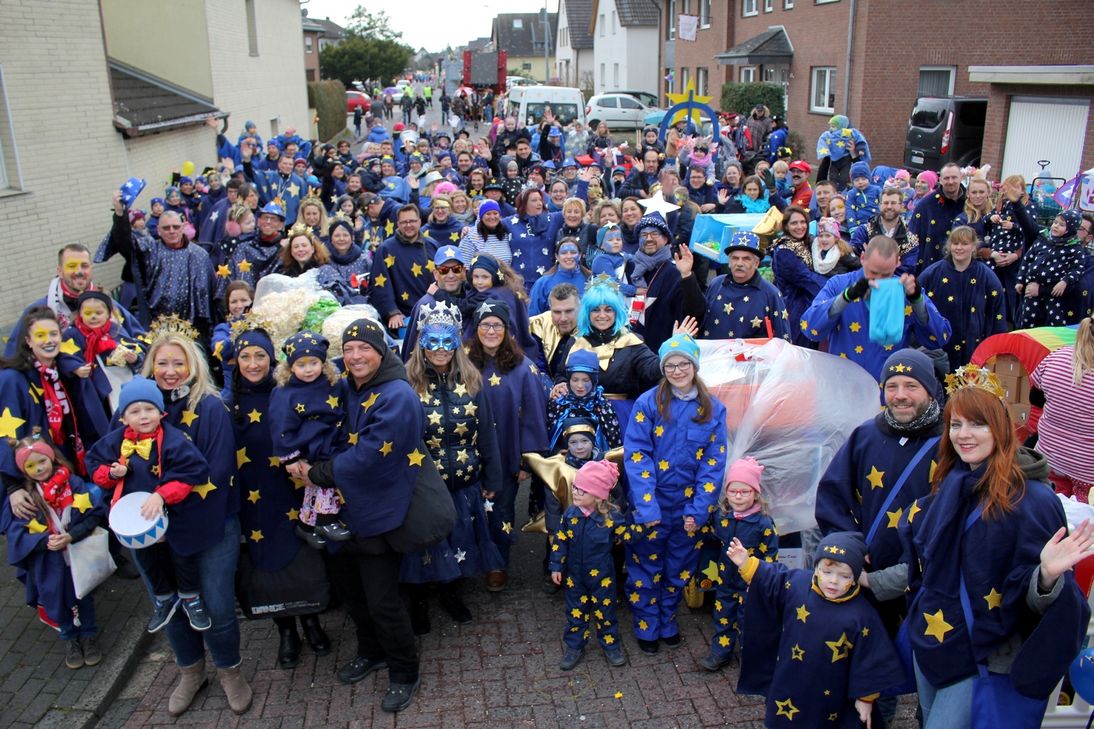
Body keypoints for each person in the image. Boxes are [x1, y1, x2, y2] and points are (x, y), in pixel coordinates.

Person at [901, 375, 1094, 726]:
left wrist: (1047, 576)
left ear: (1000, 429)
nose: (963, 434)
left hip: (985, 656)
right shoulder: (950, 485)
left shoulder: (1033, 500)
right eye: (956, 424)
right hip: (934, 641)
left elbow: (1038, 598)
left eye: (977, 423)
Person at [298, 319, 422, 712]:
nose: (354, 357)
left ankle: (404, 670)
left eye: (363, 348)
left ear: (381, 351)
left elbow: (370, 453)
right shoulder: (347, 386)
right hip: (341, 511)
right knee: (352, 593)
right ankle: (371, 651)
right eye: (348, 349)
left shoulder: (397, 394)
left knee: (383, 599)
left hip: (379, 513)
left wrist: (315, 473)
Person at [138, 324, 248, 716]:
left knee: (216, 606)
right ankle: (190, 671)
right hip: (154, 530)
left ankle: (230, 671)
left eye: (177, 362)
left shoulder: (210, 407)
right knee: (171, 605)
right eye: (162, 362)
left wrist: (170, 518)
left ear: (193, 366)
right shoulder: (140, 410)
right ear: (151, 366)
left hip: (210, 524)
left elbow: (215, 473)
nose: (170, 370)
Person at [224, 326, 330, 670]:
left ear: (272, 359)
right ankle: (285, 630)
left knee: (304, 554)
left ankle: (311, 619)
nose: (253, 364)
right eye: (245, 356)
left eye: (260, 356)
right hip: (254, 496)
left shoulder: (287, 392)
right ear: (235, 360)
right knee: (266, 559)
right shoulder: (227, 403)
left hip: (293, 489)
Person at [729, 531, 904, 728]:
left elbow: (871, 658)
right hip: (789, 681)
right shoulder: (797, 584)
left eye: (844, 575)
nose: (833, 581)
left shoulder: (862, 615)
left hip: (831, 693)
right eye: (826, 572)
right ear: (816, 568)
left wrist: (865, 699)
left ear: (856, 578)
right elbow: (772, 579)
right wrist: (746, 563)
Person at [624, 334, 728, 654]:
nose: (677, 370)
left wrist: (699, 510)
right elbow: (637, 453)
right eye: (670, 364)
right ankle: (647, 624)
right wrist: (646, 506)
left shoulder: (713, 409)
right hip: (653, 501)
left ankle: (667, 619)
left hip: (688, 504)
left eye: (683, 363)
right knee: (645, 567)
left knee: (679, 566)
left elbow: (714, 462)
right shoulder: (648, 403)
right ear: (662, 368)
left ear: (694, 366)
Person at [403, 301, 504, 628]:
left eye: (448, 341)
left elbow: (487, 432)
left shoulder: (473, 380)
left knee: (460, 540)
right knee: (421, 549)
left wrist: (493, 478)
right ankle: (418, 602)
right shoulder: (406, 383)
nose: (441, 350)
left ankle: (451, 594)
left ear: (458, 342)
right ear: (421, 341)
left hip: (465, 481)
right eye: (433, 341)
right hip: (423, 488)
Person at [87, 377, 213, 633]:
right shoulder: (114, 441)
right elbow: (94, 468)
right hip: (135, 518)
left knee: (182, 556)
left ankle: (191, 598)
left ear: (160, 412)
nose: (143, 416)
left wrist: (162, 495)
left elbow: (192, 473)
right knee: (147, 560)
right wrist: (111, 474)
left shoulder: (174, 440)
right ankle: (164, 600)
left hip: (173, 514)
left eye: (149, 409)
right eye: (135, 411)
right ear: (123, 417)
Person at [1, 431, 106, 669]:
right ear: (22, 469)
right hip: (48, 561)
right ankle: (69, 637)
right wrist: (45, 541)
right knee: (55, 598)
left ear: (52, 458)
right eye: (30, 465)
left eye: (42, 461)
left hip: (77, 552)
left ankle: (89, 636)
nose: (38, 469)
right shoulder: (25, 500)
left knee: (84, 595)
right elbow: (16, 535)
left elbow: (94, 515)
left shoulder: (75, 484)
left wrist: (71, 535)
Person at [466, 299, 548, 589]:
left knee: (500, 510)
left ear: (507, 329)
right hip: (467, 454)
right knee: (468, 509)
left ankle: (497, 563)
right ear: (476, 329)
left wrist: (527, 460)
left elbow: (533, 415)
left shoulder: (523, 368)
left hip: (505, 453)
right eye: (485, 325)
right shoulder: (461, 363)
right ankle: (469, 560)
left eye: (497, 325)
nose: (490, 330)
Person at [801, 236, 952, 381]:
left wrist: (917, 300)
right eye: (873, 272)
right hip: (845, 389)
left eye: (886, 273)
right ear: (862, 258)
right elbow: (810, 328)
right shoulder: (839, 284)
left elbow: (939, 337)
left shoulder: (904, 289)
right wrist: (846, 297)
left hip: (887, 392)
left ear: (897, 263)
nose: (878, 279)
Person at [268, 332, 348, 547]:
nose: (308, 369)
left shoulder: (333, 383)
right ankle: (326, 520)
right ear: (290, 367)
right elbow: (280, 426)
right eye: (301, 365)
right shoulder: (285, 393)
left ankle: (306, 524)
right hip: (310, 447)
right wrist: (290, 458)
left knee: (313, 488)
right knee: (324, 481)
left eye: (314, 363)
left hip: (332, 440)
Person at [700, 457, 778, 672]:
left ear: (755, 493)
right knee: (723, 616)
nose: (738, 496)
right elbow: (711, 536)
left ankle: (749, 656)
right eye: (733, 491)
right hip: (725, 579)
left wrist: (762, 579)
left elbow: (771, 556)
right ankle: (720, 651)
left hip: (750, 583)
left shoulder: (763, 523)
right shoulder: (722, 516)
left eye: (745, 491)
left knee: (749, 621)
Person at [100, 192, 216, 335]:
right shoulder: (150, 249)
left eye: (176, 227)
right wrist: (119, 214)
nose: (172, 231)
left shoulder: (200, 255)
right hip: (158, 327)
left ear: (183, 227)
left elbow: (212, 293)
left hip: (194, 329)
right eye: (166, 228)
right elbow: (125, 242)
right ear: (159, 231)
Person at [550, 459, 628, 670]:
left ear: (598, 495)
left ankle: (611, 645)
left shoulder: (611, 518)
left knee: (606, 611)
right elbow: (560, 541)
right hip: (575, 577)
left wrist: (643, 528)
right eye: (575, 487)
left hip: (602, 577)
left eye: (582, 491)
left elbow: (628, 538)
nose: (575, 493)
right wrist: (556, 566)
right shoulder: (570, 515)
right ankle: (575, 646)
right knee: (576, 612)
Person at [6, 244, 143, 358]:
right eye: (71, 266)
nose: (79, 271)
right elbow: (12, 357)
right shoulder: (38, 311)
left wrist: (135, 358)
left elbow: (141, 339)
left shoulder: (108, 306)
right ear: (59, 271)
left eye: (84, 266)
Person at [567, 280, 663, 427]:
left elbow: (653, 369)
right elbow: (562, 374)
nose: (602, 315)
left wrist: (673, 350)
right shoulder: (575, 343)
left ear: (617, 311)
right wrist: (560, 383)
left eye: (608, 309)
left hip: (621, 416)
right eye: (596, 310)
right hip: (583, 416)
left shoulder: (631, 342)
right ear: (587, 312)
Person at [919, 226, 1007, 370]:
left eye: (964, 244)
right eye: (955, 243)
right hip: (939, 349)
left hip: (974, 349)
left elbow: (997, 315)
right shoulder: (932, 273)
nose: (959, 248)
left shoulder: (986, 276)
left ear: (973, 247)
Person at [679, 232, 791, 341]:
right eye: (735, 258)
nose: (739, 263)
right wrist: (687, 276)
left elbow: (783, 340)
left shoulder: (771, 294)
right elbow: (697, 315)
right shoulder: (716, 284)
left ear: (756, 263)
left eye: (746, 259)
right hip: (713, 357)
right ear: (729, 262)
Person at [1030, 317, 1094, 502]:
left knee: (1051, 511)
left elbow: (1035, 398)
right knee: (1082, 523)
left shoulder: (1056, 356)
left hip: (1048, 457)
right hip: (1087, 472)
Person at [58, 290, 144, 417]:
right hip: (93, 387)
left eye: (98, 313)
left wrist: (134, 358)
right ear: (80, 314)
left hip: (122, 380)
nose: (93, 317)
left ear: (108, 314)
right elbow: (64, 356)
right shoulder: (73, 334)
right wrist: (75, 368)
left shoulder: (115, 329)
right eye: (88, 313)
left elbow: (137, 349)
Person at [627, 214, 702, 353]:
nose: (649, 238)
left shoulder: (675, 271)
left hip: (663, 353)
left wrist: (687, 276)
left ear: (666, 238)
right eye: (644, 234)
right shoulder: (629, 268)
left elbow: (695, 311)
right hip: (631, 352)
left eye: (654, 234)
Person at [369, 204, 440, 334]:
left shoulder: (432, 245)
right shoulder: (385, 249)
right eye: (404, 222)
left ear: (419, 222)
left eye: (412, 221)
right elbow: (379, 285)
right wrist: (391, 312)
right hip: (403, 318)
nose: (408, 225)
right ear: (398, 224)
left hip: (434, 313)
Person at [1016, 210, 1088, 328]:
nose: (1056, 226)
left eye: (1062, 225)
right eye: (1055, 222)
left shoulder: (1074, 247)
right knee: (1026, 319)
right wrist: (1020, 280)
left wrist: (1065, 281)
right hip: (1031, 287)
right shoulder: (1043, 239)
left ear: (1071, 228)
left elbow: (1077, 269)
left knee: (1055, 321)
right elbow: (1027, 259)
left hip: (1053, 292)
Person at [546, 349, 622, 455]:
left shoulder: (602, 405)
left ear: (594, 380)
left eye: (586, 380)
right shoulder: (558, 403)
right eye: (575, 380)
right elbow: (547, 440)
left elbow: (614, 442)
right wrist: (557, 452)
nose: (580, 386)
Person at [769, 207, 826, 347]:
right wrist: (835, 288)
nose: (799, 227)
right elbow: (806, 278)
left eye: (803, 222)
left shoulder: (807, 243)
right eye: (794, 223)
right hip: (795, 310)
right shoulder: (784, 251)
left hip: (811, 304)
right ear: (786, 226)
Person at [909, 163, 966, 273]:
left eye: (954, 177)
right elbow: (912, 238)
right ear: (940, 180)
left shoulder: (970, 203)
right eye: (946, 178)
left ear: (961, 177)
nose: (950, 182)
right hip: (932, 268)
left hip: (963, 269)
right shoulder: (926, 205)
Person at [850, 187, 919, 272]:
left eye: (893, 203)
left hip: (893, 284)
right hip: (865, 281)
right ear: (879, 205)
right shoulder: (863, 232)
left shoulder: (910, 240)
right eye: (886, 203)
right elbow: (852, 259)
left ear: (901, 206)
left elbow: (907, 270)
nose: (889, 207)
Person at [529, 282, 580, 380]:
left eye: (569, 311)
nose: (563, 318)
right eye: (557, 312)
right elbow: (536, 366)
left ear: (580, 309)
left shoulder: (592, 327)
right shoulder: (537, 325)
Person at [529, 238, 590, 316]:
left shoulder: (591, 280)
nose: (569, 256)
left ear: (580, 255)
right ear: (557, 256)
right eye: (564, 253)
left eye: (573, 252)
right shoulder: (542, 283)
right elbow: (533, 316)